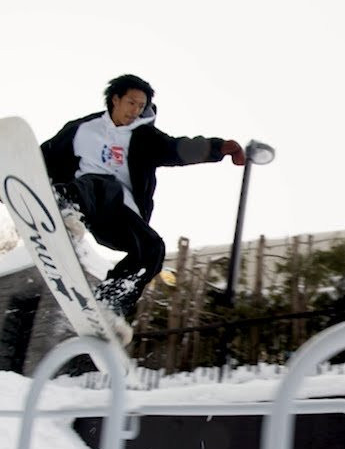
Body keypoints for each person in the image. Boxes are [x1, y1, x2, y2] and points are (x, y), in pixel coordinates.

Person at [40, 74, 244, 324]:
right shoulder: (81, 129)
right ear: (115, 99)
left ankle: (111, 300)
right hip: (86, 200)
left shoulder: (145, 137)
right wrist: (19, 185)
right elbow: (44, 157)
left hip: (121, 218)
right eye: (131, 103)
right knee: (103, 183)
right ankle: (65, 205)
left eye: (140, 106)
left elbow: (178, 148)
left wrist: (221, 147)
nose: (135, 110)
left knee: (153, 248)